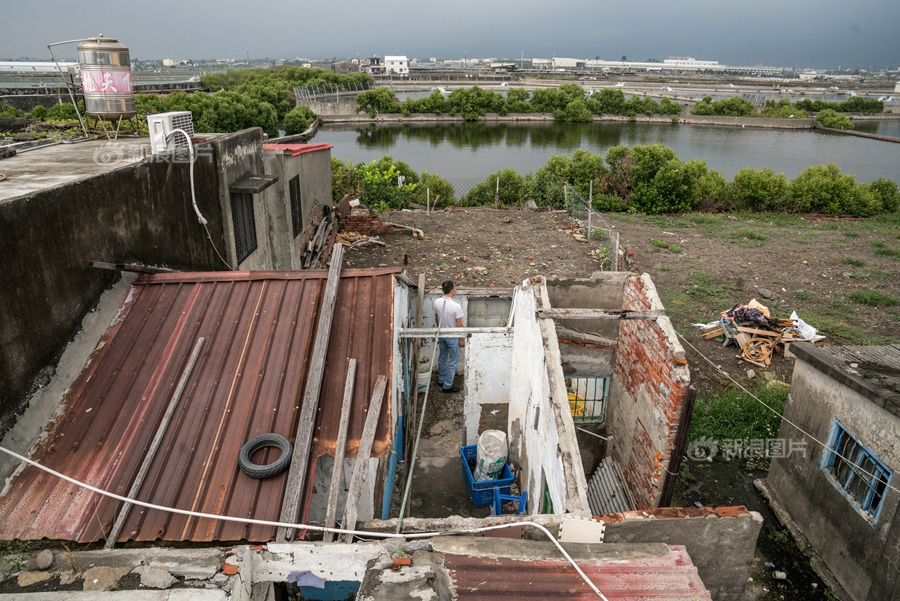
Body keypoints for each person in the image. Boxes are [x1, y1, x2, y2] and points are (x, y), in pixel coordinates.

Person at [434, 280, 465, 393]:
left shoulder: (437, 301)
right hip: (452, 336)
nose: (455, 289)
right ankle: (447, 386)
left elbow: (437, 318)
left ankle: (441, 380)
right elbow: (459, 324)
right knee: (453, 361)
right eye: (455, 287)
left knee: (442, 357)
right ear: (452, 290)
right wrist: (461, 339)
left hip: (442, 334)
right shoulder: (456, 306)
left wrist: (440, 329)